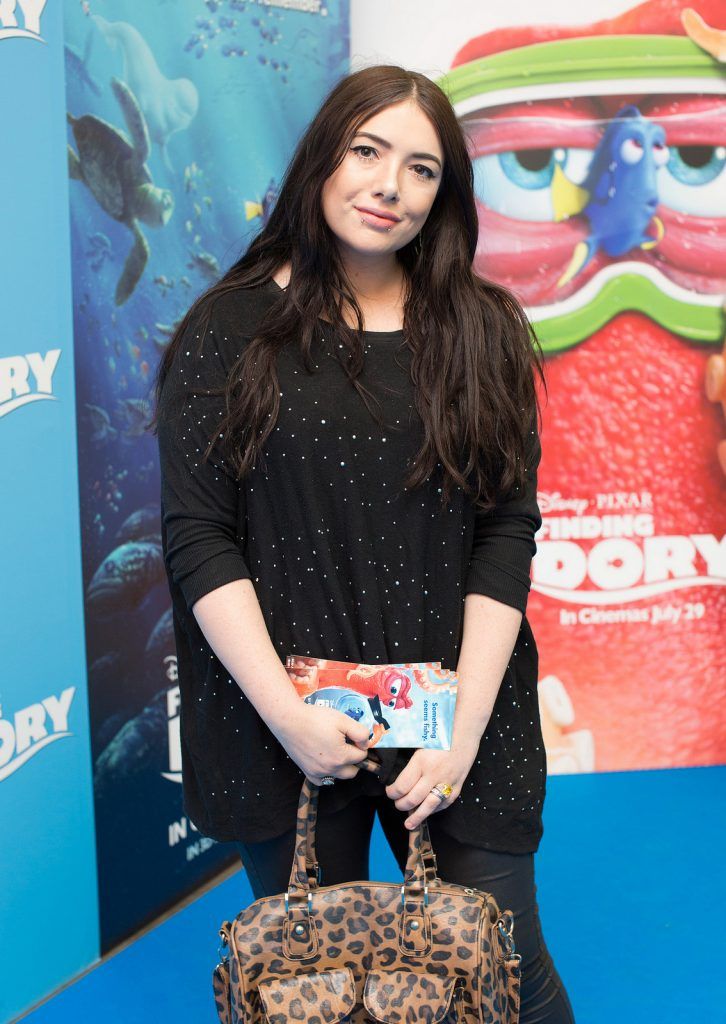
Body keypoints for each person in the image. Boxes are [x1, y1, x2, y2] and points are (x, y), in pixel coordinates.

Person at [153, 64, 576, 1024]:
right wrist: (290, 720)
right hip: (288, 726)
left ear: (445, 194)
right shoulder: (229, 331)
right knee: (322, 998)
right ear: (322, 159)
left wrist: (462, 725)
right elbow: (200, 539)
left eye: (422, 169)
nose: (390, 186)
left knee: (510, 982)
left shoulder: (485, 332)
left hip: (456, 719)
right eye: (368, 151)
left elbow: (505, 530)